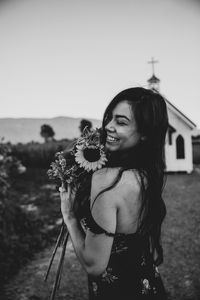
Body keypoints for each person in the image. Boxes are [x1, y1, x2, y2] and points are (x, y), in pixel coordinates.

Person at [60, 87, 168, 299]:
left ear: (145, 133)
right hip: (149, 286)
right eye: (109, 118)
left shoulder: (107, 180)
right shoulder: (147, 175)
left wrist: (70, 217)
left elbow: (94, 264)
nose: (108, 126)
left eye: (121, 122)